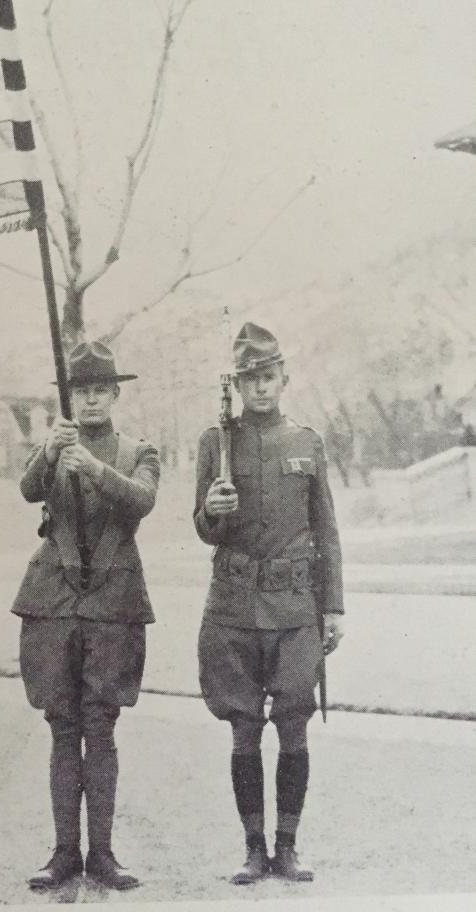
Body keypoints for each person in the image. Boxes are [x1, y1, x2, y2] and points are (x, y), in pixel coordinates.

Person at [193, 323, 344, 885]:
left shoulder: (307, 442)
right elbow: (205, 529)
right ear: (237, 383)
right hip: (233, 606)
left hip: (294, 608)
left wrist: (334, 607)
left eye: (268, 376)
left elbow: (325, 530)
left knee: (294, 726)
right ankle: (253, 848)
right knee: (243, 730)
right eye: (250, 378)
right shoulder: (217, 442)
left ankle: (289, 846)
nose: (260, 388)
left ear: (284, 378)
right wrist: (214, 508)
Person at [13, 341, 160, 891]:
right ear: (69, 396)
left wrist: (93, 468)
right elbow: (27, 490)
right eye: (82, 391)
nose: (92, 400)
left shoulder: (137, 450)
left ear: (115, 394)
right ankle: (63, 852)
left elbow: (141, 500)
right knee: (62, 725)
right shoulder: (54, 445)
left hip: (113, 600)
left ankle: (102, 852)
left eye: (100, 390)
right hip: (54, 599)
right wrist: (51, 452)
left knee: (100, 726)